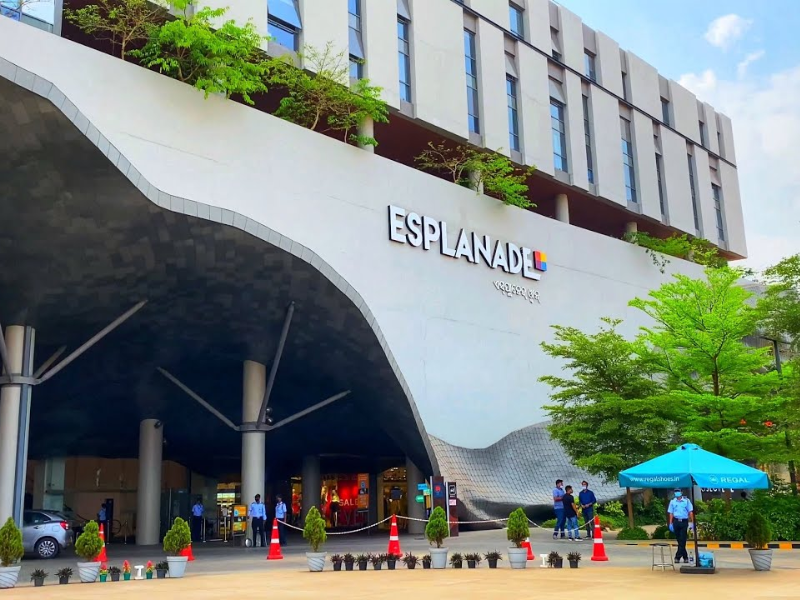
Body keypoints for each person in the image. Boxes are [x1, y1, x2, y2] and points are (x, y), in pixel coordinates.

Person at [667, 487, 695, 563]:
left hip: (684, 521)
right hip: (676, 521)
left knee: (683, 539)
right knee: (679, 540)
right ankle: (685, 557)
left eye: (678, 491)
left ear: (681, 492)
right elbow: (671, 513)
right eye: (675, 491)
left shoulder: (686, 501)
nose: (677, 493)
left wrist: (693, 522)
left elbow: (690, 512)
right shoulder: (672, 502)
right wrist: (670, 523)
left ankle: (677, 557)